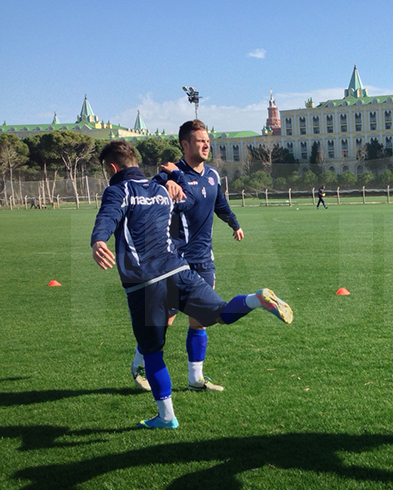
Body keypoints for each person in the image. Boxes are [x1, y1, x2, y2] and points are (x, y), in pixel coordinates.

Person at [91, 140, 293, 429]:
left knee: (152, 352)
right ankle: (255, 299)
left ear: (112, 168)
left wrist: (98, 239)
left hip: (144, 284)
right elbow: (184, 196)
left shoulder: (118, 190)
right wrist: (175, 176)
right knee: (220, 314)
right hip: (180, 270)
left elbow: (108, 216)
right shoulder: (160, 188)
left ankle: (166, 417)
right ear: (135, 161)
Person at [129, 119, 262, 393]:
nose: (206, 145)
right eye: (200, 140)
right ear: (185, 144)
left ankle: (195, 379)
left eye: (207, 141)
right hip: (173, 261)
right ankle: (140, 363)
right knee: (165, 320)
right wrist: (164, 182)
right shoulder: (169, 175)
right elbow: (146, 199)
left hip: (203, 259)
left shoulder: (212, 175)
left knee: (201, 320)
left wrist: (234, 223)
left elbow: (220, 203)